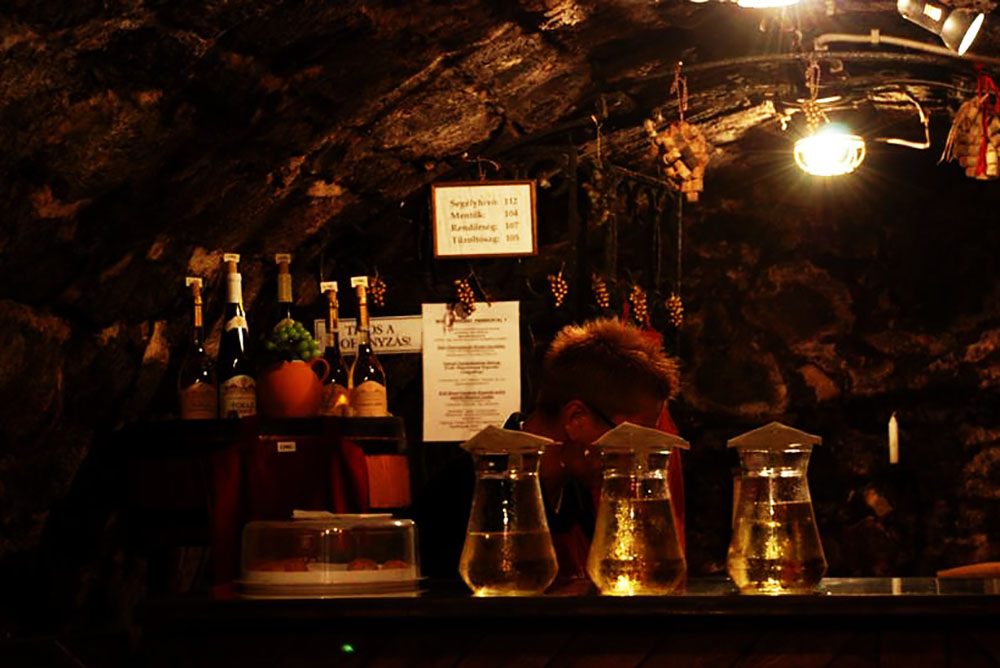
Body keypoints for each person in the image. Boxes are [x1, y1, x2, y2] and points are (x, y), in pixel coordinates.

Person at [415, 317, 683, 580]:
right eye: (630, 436)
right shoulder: (468, 493)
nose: (639, 456)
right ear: (575, 418)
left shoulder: (577, 487)